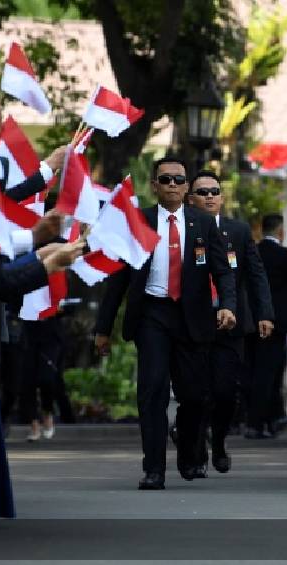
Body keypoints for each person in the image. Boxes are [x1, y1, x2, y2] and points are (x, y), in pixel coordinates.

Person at [94, 156, 237, 490]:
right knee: (152, 391)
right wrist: (103, 329)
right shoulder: (137, 222)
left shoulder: (202, 224)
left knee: (194, 395)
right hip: (152, 315)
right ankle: (153, 469)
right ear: (154, 185)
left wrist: (228, 306)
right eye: (165, 179)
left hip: (193, 318)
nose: (172, 185)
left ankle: (189, 453)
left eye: (178, 179)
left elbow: (223, 272)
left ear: (187, 187)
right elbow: (118, 280)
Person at [185, 170, 274, 472]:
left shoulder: (237, 230)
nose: (209, 196)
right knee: (196, 392)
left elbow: (256, 273)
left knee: (225, 391)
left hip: (231, 324)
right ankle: (195, 452)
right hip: (192, 323)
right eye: (202, 191)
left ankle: (219, 440)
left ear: (221, 198)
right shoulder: (182, 229)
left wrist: (264, 313)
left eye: (214, 191)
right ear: (190, 198)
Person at [248, 214, 287, 439]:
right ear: (281, 232)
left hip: (250, 322)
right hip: (277, 324)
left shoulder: (252, 252)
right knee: (270, 374)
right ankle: (259, 421)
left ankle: (268, 418)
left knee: (257, 371)